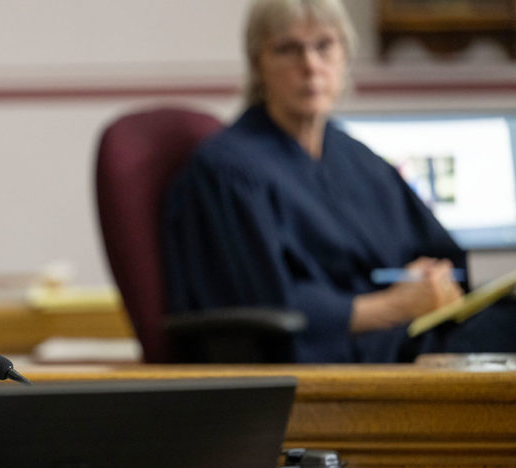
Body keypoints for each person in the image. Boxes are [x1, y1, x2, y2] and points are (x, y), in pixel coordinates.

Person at [163, 0, 516, 363]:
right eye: (288, 49)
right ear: (257, 64)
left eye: (324, 46)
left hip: (415, 333)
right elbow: (264, 309)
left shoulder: (355, 157)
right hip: (343, 358)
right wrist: (391, 305)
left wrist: (435, 280)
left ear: (345, 55)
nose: (310, 65)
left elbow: (440, 254)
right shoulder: (228, 171)